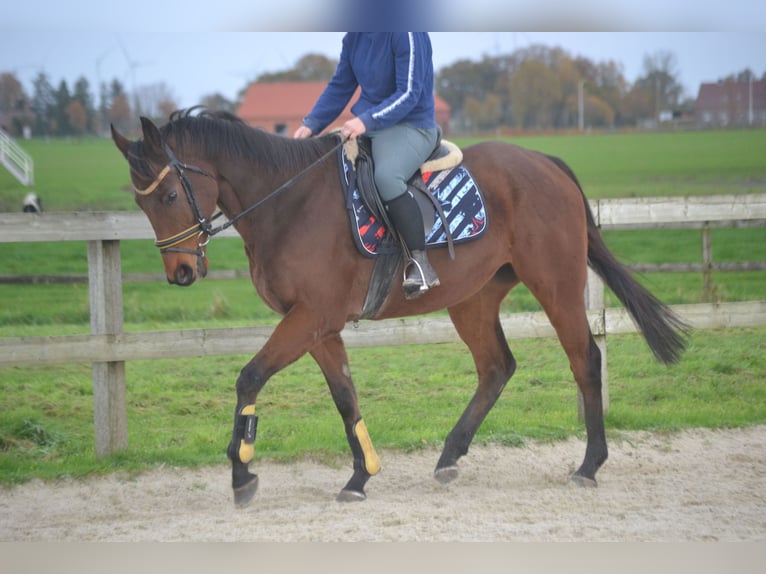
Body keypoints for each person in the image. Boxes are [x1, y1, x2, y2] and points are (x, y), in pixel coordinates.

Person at [294, 32, 440, 299]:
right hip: (369, 125)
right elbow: (340, 85)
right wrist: (310, 125)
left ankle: (421, 264)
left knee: (386, 177)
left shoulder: (405, 32)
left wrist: (365, 121)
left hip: (411, 125)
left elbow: (409, 93)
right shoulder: (354, 37)